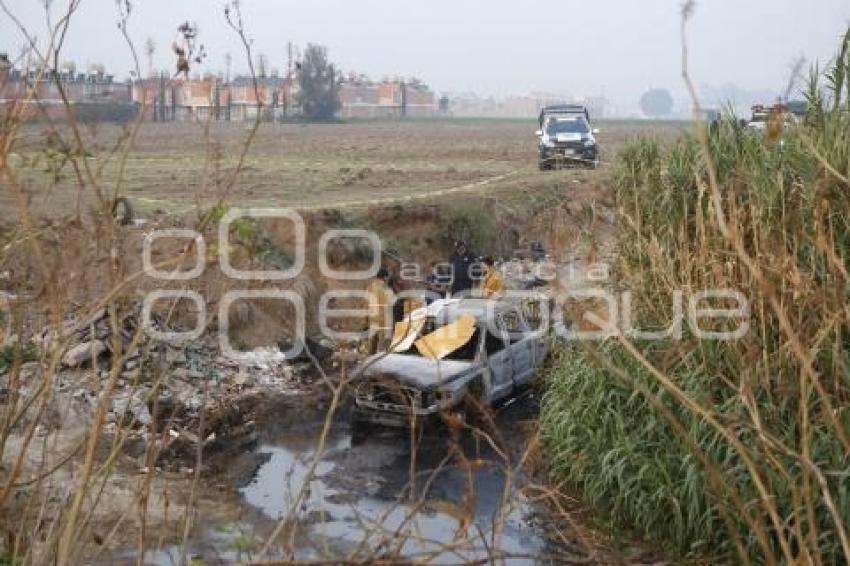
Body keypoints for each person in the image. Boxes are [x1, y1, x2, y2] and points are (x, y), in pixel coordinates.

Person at [366, 268, 392, 354]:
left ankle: (369, 361)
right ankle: (380, 363)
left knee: (372, 343)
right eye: (387, 277)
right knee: (382, 345)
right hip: (383, 319)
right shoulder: (385, 288)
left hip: (372, 318)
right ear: (385, 277)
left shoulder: (370, 287)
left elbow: (365, 302)